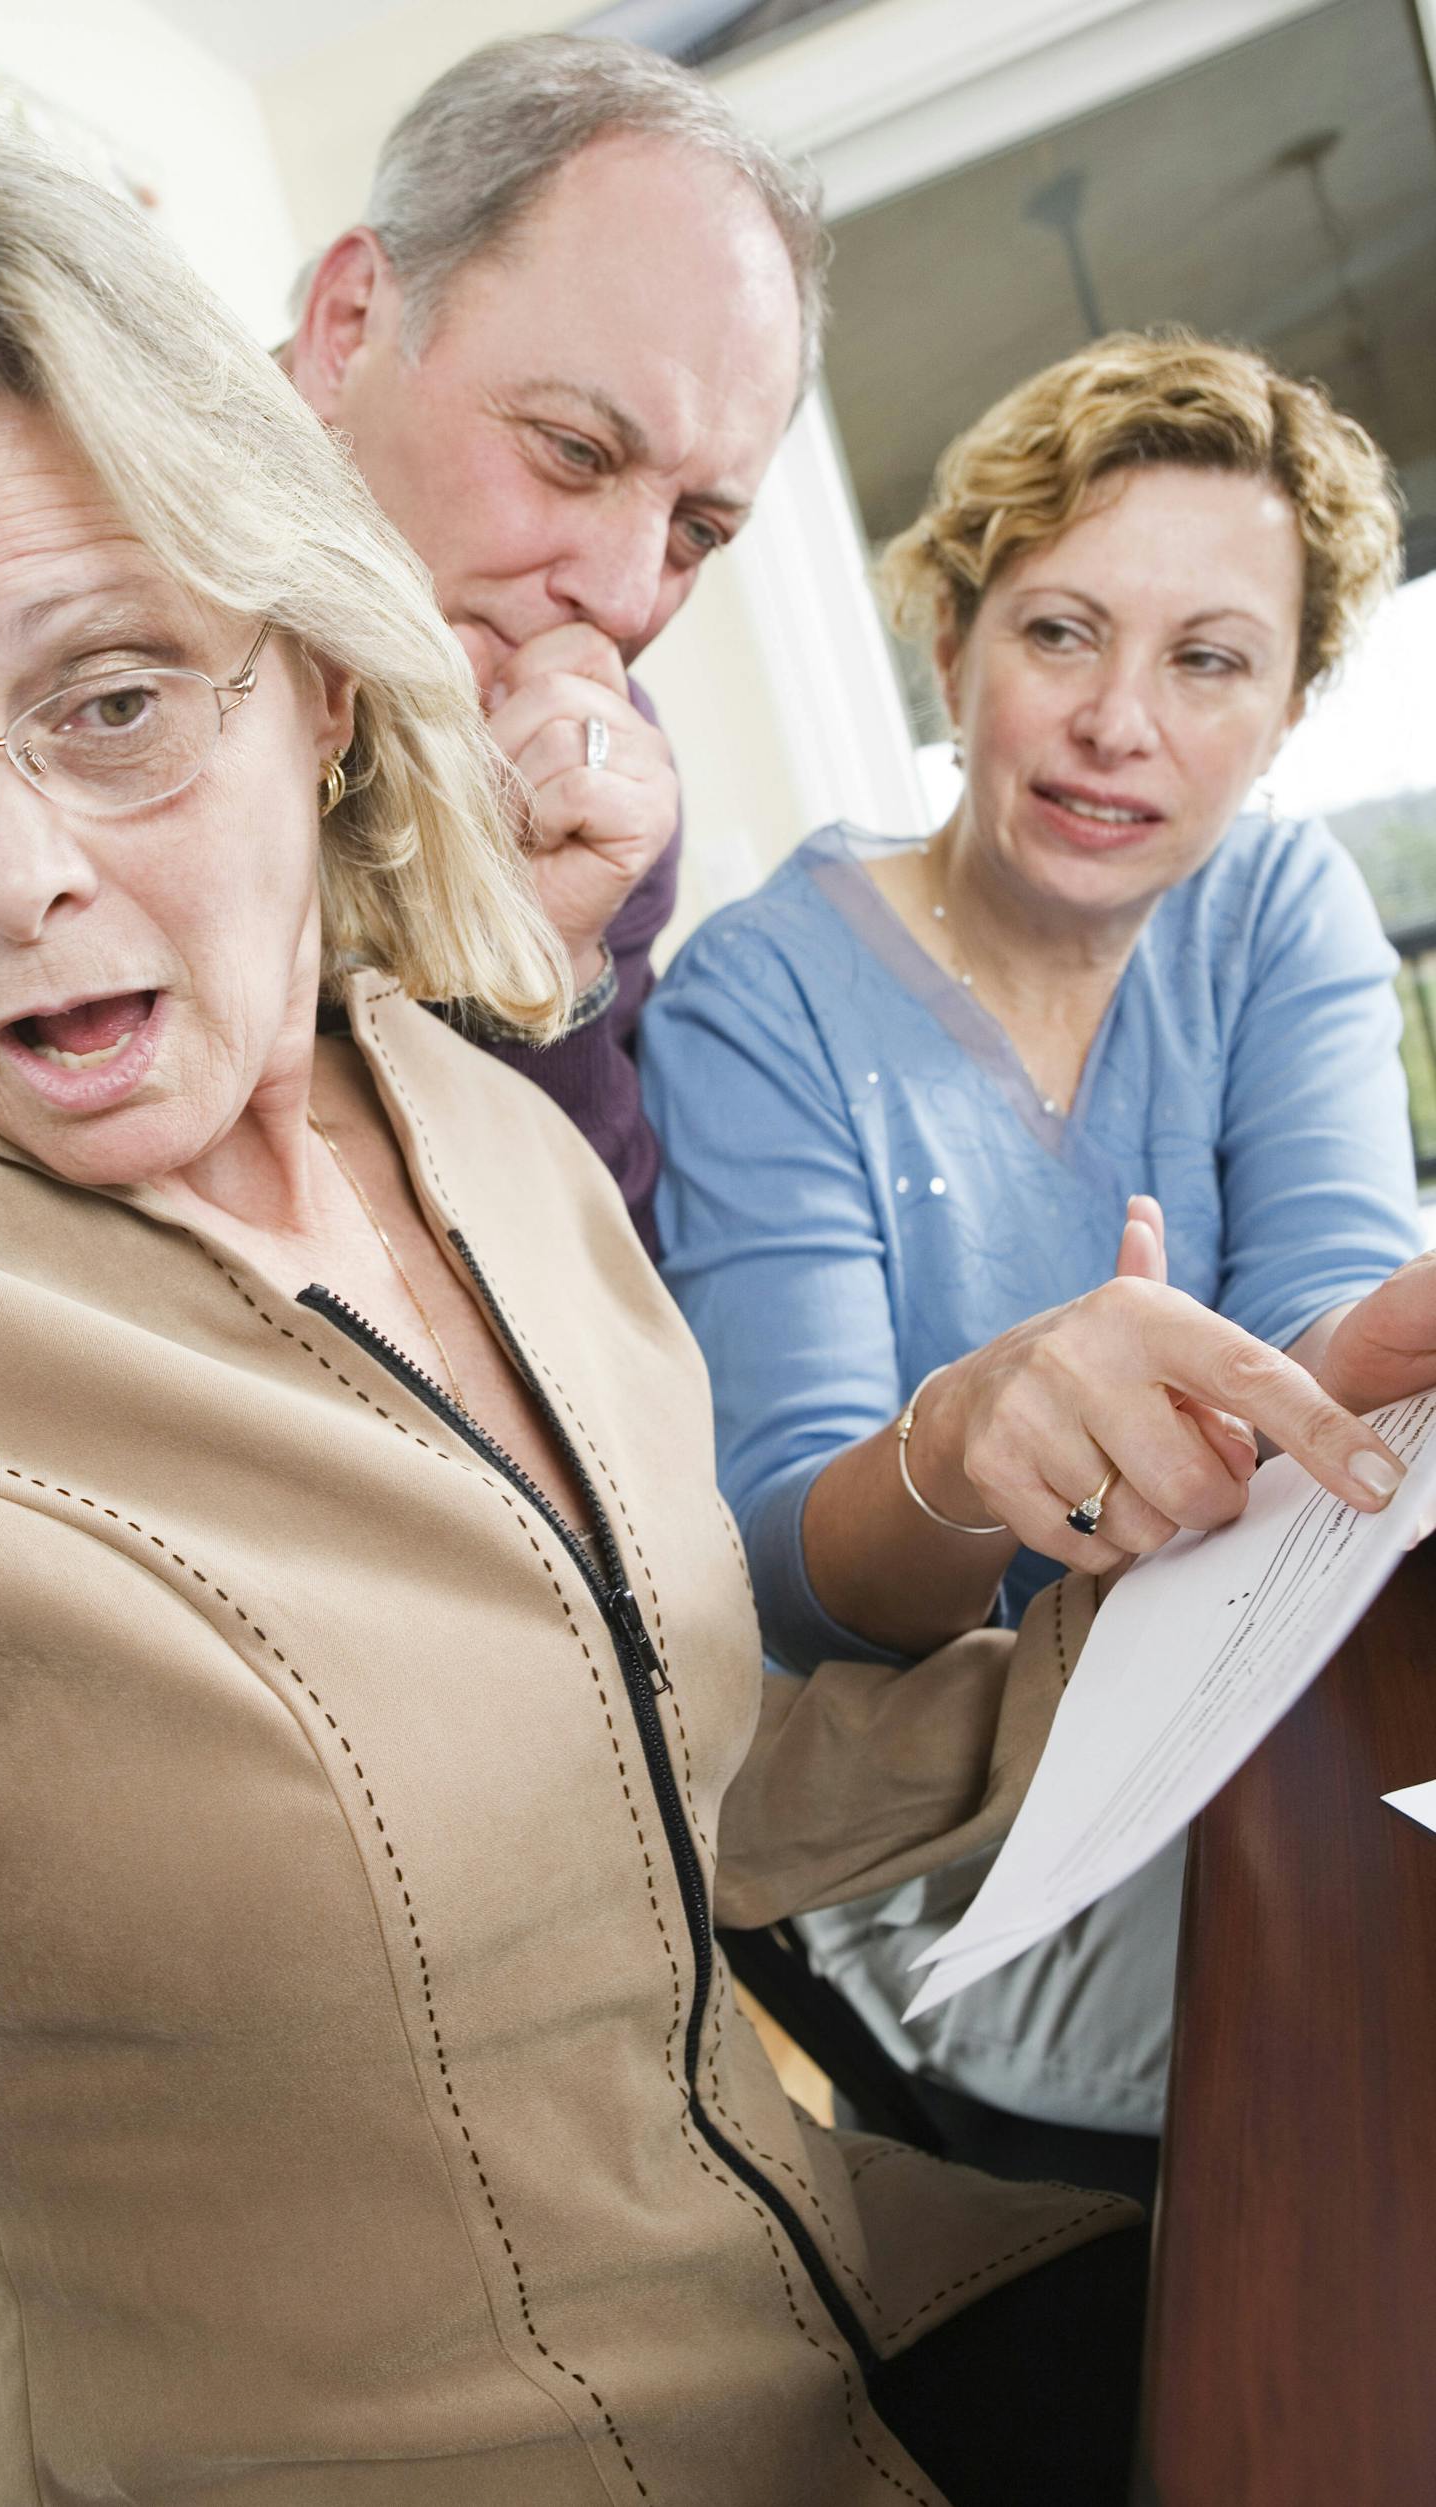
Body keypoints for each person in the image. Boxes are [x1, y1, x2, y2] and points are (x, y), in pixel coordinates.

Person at [0, 108, 1399, 2507]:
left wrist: (1222, 1587)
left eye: (110, 699)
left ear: (323, 685)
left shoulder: (482, 1109)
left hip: (821, 2335)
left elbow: (668, 1765)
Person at [0, 35, 818, 1247]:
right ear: (349, 319)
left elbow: (595, 1316)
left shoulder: (590, 783)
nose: (623, 595)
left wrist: (546, 976)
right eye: (573, 451)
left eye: (696, 530)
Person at [641, 330, 1423, 2167]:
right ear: (954, 647)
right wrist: (970, 1433)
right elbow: (794, 1584)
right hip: (963, 1822)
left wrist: (1364, 1353)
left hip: (1255, 1717)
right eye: (1062, 632)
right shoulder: (759, 996)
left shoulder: (1277, 905)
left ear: (1288, 708)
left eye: (1209, 659)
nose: (1119, 722)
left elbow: (1323, 1316)